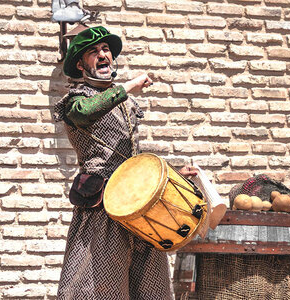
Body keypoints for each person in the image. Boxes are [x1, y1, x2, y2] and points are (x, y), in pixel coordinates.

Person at [53, 26, 197, 300]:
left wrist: (173, 177)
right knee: (98, 291)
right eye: (93, 51)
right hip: (102, 209)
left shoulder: (126, 103)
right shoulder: (76, 101)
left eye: (106, 49)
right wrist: (128, 86)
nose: (102, 54)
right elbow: (87, 113)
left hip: (140, 210)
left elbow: (133, 161)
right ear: (81, 64)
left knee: (150, 290)